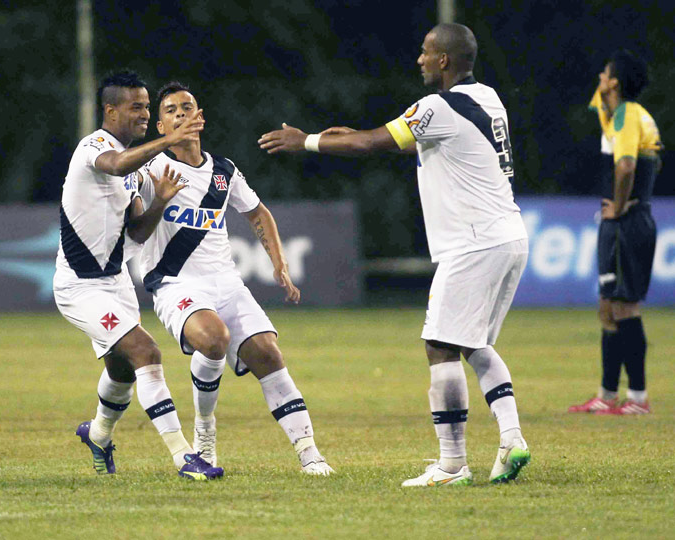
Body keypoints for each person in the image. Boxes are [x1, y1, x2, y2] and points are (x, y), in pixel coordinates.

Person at [259, 23, 530, 487]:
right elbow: (414, 138)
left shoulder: (436, 107)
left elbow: (371, 144)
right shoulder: (488, 98)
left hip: (474, 242)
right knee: (473, 343)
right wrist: (366, 132)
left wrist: (305, 141)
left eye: (426, 52)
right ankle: (511, 439)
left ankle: (451, 465)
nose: (419, 60)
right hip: (508, 235)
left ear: (444, 60)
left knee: (440, 346)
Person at [135, 81, 334, 476]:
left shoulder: (223, 171)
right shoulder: (150, 169)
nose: (179, 114)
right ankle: (205, 433)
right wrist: (157, 198)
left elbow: (258, 213)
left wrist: (279, 263)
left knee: (269, 355)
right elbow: (134, 224)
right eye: (170, 110)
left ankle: (310, 453)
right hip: (176, 284)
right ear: (160, 127)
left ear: (200, 117)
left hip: (227, 284)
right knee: (213, 339)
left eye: (186, 107)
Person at [53, 69, 224, 480]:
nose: (145, 113)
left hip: (115, 283)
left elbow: (137, 231)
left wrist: (161, 201)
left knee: (122, 370)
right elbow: (113, 164)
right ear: (110, 110)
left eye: (147, 106)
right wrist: (170, 140)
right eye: (137, 107)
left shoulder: (134, 170)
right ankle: (185, 457)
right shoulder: (94, 146)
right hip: (79, 286)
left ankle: (97, 434)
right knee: (147, 352)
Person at [568, 51, 661, 415]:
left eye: (605, 73)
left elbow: (625, 167)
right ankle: (607, 396)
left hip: (627, 222)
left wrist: (620, 206)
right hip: (620, 224)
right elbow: (600, 104)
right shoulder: (618, 113)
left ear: (616, 82)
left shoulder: (627, 115)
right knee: (608, 308)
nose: (600, 76)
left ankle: (637, 398)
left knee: (625, 308)